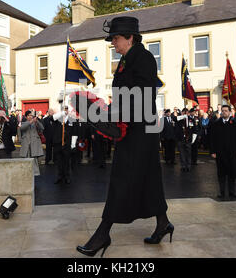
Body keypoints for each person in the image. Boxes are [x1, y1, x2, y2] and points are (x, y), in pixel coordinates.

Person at [77, 16, 171, 257]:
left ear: (130, 37)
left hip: (139, 129)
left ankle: (103, 233)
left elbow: (144, 94)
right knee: (148, 176)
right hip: (135, 126)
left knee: (122, 177)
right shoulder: (128, 59)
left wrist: (120, 120)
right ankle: (163, 223)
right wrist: (109, 113)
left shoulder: (144, 58)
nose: (113, 43)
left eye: (116, 38)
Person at [209, 105, 236, 200]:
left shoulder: (235, 123)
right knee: (221, 173)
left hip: (232, 153)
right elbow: (212, 139)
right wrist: (213, 151)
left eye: (226, 111)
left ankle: (232, 192)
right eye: (222, 111)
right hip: (220, 153)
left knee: (232, 174)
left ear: (229, 112)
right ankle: (222, 192)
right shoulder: (216, 123)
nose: (224, 112)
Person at [52, 107, 77, 184]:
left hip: (67, 144)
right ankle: (60, 177)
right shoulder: (57, 119)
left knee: (66, 162)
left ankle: (67, 177)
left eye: (67, 110)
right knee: (59, 162)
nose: (66, 111)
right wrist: (61, 114)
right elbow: (52, 118)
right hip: (58, 144)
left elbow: (74, 132)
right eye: (64, 110)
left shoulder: (71, 120)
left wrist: (73, 144)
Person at [173, 108, 198, 173]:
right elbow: (174, 118)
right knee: (182, 154)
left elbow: (195, 130)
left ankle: (188, 166)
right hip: (180, 139)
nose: (185, 113)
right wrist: (183, 116)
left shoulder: (191, 120)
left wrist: (193, 139)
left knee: (188, 153)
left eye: (186, 112)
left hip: (188, 139)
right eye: (184, 112)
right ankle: (183, 166)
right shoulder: (179, 119)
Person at [20, 110, 44, 174]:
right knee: (26, 158)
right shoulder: (23, 123)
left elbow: (42, 128)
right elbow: (22, 128)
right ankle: (26, 172)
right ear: (26, 116)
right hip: (26, 143)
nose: (30, 117)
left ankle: (35, 173)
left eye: (31, 115)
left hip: (34, 143)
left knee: (34, 159)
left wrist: (37, 122)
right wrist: (30, 122)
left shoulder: (35, 123)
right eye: (29, 115)